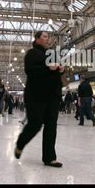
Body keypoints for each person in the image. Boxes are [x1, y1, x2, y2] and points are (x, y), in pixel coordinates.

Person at [14, 31, 65, 168]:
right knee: (35, 124)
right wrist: (47, 67)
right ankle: (20, 142)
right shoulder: (32, 53)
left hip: (52, 95)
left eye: (48, 36)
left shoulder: (52, 53)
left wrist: (61, 69)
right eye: (44, 36)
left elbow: (59, 69)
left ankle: (50, 158)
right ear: (37, 39)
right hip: (36, 95)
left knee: (51, 126)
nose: (47, 39)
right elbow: (29, 70)